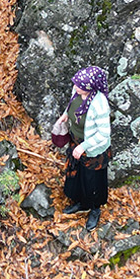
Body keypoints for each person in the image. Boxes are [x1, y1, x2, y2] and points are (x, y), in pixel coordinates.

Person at [54, 66, 111, 231]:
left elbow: (104, 135)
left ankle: (94, 209)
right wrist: (66, 114)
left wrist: (84, 146)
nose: (75, 86)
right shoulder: (77, 90)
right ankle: (81, 202)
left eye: (79, 85)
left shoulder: (99, 105)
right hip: (76, 142)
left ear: (89, 87)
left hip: (93, 150)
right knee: (78, 176)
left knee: (93, 181)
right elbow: (72, 104)